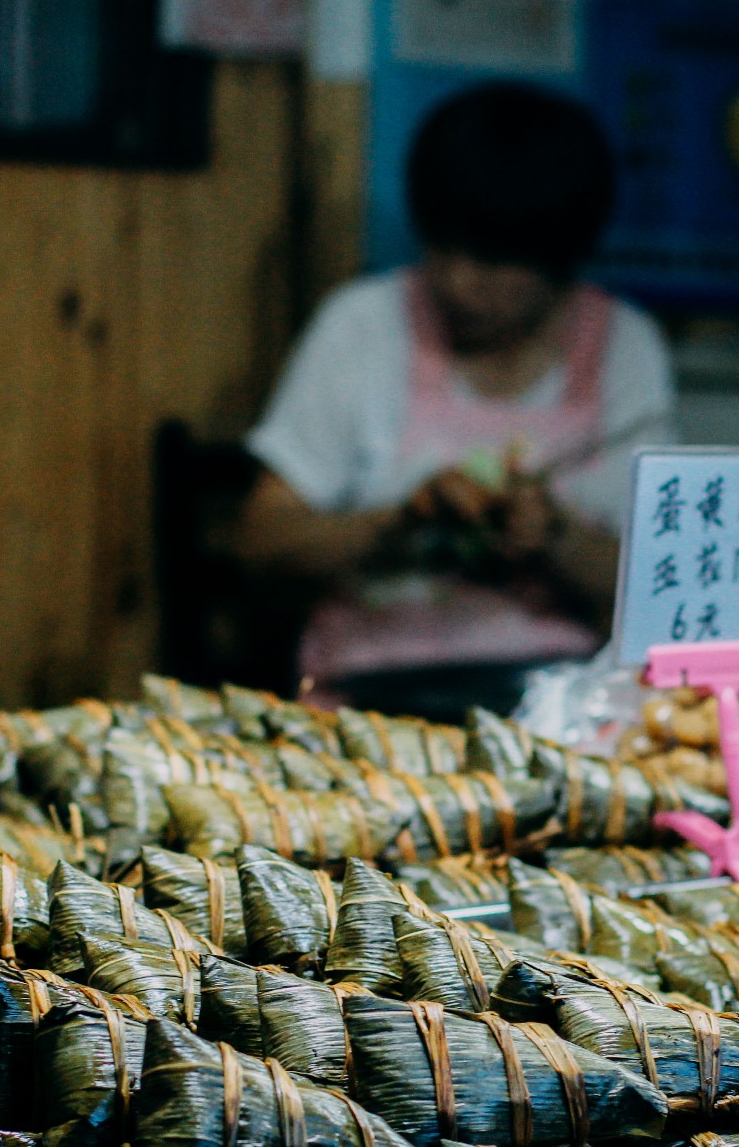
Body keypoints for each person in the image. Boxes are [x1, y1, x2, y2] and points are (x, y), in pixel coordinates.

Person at [235, 81, 675, 700]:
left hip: (562, 703)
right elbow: (260, 545)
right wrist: (401, 523)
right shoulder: (363, 327)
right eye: (442, 247)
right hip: (371, 692)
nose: (459, 284)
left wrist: (552, 537)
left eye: (495, 262)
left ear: (560, 257)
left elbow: (663, 591)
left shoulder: (625, 347)